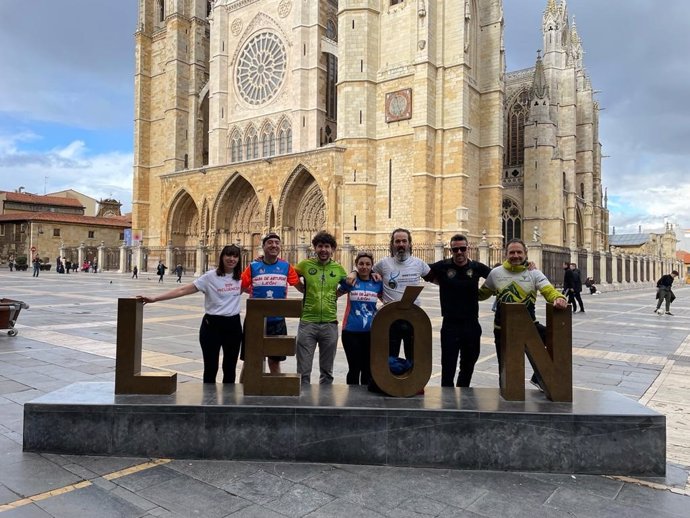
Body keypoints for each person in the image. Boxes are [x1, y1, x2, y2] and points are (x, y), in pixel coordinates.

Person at [138, 245, 245, 383]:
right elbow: (183, 290)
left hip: (233, 326)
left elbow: (260, 286)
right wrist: (155, 298)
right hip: (212, 326)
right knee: (210, 367)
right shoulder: (209, 277)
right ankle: (208, 401)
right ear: (222, 257)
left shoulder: (241, 278)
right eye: (228, 255)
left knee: (230, 368)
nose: (231, 259)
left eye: (235, 256)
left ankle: (228, 402)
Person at [478, 239, 568, 389]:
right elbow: (482, 294)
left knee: (559, 341)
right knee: (506, 372)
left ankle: (539, 378)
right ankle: (506, 400)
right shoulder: (496, 273)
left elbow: (548, 290)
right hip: (503, 330)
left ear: (525, 254)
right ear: (505, 255)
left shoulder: (534, 273)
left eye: (519, 252)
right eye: (512, 252)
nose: (515, 255)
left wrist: (559, 297)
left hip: (529, 328)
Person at [350, 228, 430, 362]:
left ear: (409, 243)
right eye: (397, 241)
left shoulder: (419, 264)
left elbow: (435, 278)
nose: (401, 244)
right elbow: (364, 271)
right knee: (390, 359)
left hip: (413, 318)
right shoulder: (383, 264)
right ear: (392, 244)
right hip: (390, 319)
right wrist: (353, 272)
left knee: (414, 359)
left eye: (404, 241)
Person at [426, 234, 491, 388]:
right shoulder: (443, 266)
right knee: (448, 366)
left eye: (462, 248)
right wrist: (437, 281)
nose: (459, 252)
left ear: (468, 249)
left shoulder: (476, 267)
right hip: (450, 324)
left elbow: (499, 275)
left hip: (471, 324)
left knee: (468, 366)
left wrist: (527, 265)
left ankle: (463, 395)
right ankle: (447, 402)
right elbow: (421, 270)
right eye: (456, 249)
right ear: (451, 250)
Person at [240, 232, 303, 374]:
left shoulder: (286, 267)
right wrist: (253, 291)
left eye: (277, 242)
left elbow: (300, 287)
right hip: (254, 321)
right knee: (251, 361)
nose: (274, 245)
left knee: (275, 362)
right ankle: (241, 392)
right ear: (263, 246)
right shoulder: (253, 266)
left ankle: (275, 393)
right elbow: (240, 286)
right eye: (270, 243)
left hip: (277, 321)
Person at [295, 231, 347, 384]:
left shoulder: (338, 268)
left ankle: (325, 404)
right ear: (315, 248)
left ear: (332, 249)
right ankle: (303, 404)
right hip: (307, 322)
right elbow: (290, 273)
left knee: (327, 372)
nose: (323, 250)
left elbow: (349, 284)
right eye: (320, 246)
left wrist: (336, 294)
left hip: (330, 323)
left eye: (327, 246)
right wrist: (301, 288)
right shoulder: (305, 265)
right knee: (303, 371)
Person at [338, 251, 382, 385]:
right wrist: (352, 273)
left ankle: (365, 401)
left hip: (370, 333)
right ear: (356, 265)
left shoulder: (377, 283)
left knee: (367, 369)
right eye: (361, 264)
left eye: (368, 264)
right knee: (354, 369)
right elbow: (334, 295)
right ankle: (352, 400)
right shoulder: (350, 281)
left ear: (372, 266)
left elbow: (387, 300)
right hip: (350, 332)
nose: (364, 267)